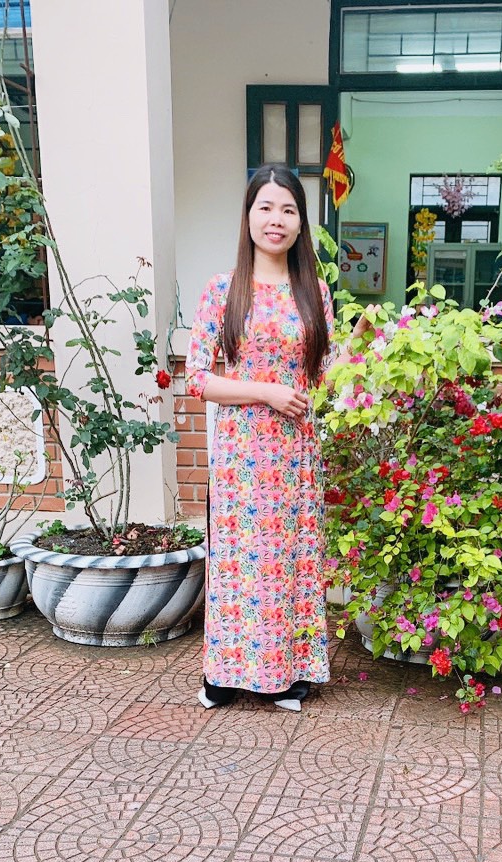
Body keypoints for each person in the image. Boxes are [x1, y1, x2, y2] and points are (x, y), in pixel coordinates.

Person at [185, 164, 334, 712]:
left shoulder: (314, 292)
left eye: (288, 209)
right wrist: (266, 392)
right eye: (266, 207)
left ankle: (288, 674)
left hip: (295, 453)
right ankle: (224, 675)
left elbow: (325, 377)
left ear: (301, 222)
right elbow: (197, 377)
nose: (277, 219)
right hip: (242, 454)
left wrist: (362, 349)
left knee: (289, 560)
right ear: (248, 216)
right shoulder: (222, 290)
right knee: (239, 562)